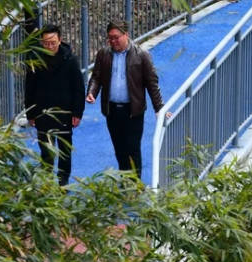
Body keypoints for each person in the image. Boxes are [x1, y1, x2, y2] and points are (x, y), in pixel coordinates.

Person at [86, 20, 166, 180]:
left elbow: (152, 83)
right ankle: (124, 180)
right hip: (112, 110)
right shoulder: (103, 54)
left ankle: (135, 182)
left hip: (133, 111)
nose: (113, 41)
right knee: (119, 148)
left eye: (116, 37)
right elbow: (96, 76)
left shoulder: (141, 55)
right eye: (110, 38)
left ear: (126, 35)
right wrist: (92, 92)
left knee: (133, 148)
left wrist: (159, 108)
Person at [24, 23, 85, 186]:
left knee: (65, 149)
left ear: (60, 40)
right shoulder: (35, 60)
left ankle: (63, 180)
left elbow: (78, 87)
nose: (49, 46)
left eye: (53, 43)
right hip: (42, 111)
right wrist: (30, 113)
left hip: (64, 111)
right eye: (46, 43)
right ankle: (46, 180)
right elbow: (29, 87)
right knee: (46, 150)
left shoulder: (70, 60)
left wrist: (77, 112)